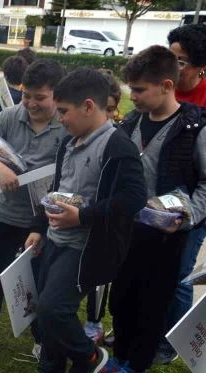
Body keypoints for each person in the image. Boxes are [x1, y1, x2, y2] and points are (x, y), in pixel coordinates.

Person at [7, 68, 146, 373]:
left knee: (54, 308)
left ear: (88, 106)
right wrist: (39, 227)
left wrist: (82, 216)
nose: (60, 118)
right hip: (55, 240)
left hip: (85, 248)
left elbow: (133, 199)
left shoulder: (117, 146)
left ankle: (90, 357)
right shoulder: (69, 142)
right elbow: (56, 188)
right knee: (44, 309)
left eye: (64, 111)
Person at [92, 46, 206, 373]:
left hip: (166, 239)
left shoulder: (195, 129)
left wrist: (185, 216)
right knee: (122, 299)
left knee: (151, 305)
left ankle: (135, 371)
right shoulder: (131, 123)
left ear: (166, 85)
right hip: (127, 232)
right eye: (130, 89)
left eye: (139, 90)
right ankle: (120, 357)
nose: (132, 96)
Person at [0, 59, 67, 350]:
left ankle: (41, 339)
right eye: (26, 95)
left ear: (58, 95)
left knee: (39, 279)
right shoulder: (11, 115)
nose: (32, 104)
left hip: (44, 218)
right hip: (3, 213)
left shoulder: (66, 124)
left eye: (40, 98)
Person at [154, 24, 206, 365]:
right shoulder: (163, 90)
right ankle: (150, 328)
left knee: (179, 276)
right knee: (151, 271)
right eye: (170, 56)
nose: (173, 66)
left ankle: (172, 342)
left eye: (180, 61)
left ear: (201, 66)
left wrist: (186, 178)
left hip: (193, 208)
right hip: (156, 203)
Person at [82, 69, 123, 344]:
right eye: (102, 109)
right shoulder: (76, 134)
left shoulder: (118, 137)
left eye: (111, 110)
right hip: (77, 216)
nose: (106, 116)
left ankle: (94, 321)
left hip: (103, 218)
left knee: (99, 277)